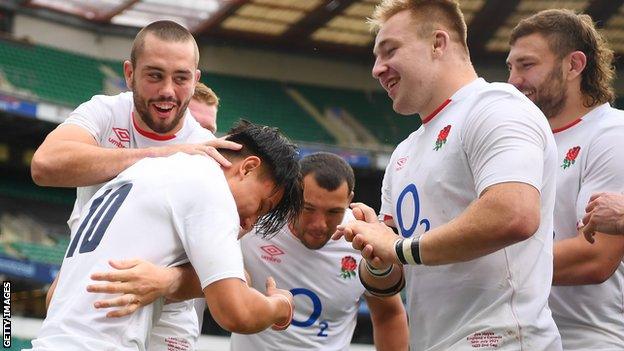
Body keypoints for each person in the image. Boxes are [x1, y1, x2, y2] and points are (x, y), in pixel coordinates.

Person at [332, 1, 562, 350]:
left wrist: (397, 247)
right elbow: (395, 275)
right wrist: (375, 251)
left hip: (499, 341)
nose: (378, 69)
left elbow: (514, 214)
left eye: (390, 51)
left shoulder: (497, 106)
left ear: (438, 43)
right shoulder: (404, 152)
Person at [32, 20, 239, 351]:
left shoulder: (209, 154)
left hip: (170, 312)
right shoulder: (105, 112)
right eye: (154, 75)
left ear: (195, 79)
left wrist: (167, 281)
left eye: (181, 78)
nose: (168, 90)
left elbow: (230, 262)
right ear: (129, 74)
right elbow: (45, 165)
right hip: (94, 286)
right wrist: (162, 155)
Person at [28, 120, 303, 350]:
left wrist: (170, 281)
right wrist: (280, 307)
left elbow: (55, 295)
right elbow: (236, 311)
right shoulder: (211, 187)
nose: (251, 221)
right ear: (248, 167)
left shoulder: (141, 173)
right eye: (262, 207)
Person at [507, 9, 624, 350]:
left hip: (590, 338)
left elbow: (597, 257)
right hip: (520, 333)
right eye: (510, 67)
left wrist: (483, 264)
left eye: (526, 65)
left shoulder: (612, 133)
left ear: (574, 65)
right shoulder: (523, 139)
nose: (513, 80)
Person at [230, 152, 408, 351]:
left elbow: (389, 315)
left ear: (349, 200)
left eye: (333, 212)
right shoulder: (255, 222)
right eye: (308, 208)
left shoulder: (362, 241)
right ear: (293, 193)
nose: (320, 224)